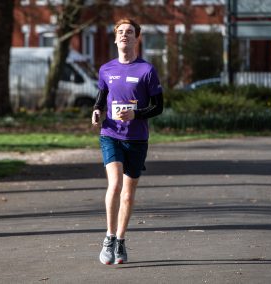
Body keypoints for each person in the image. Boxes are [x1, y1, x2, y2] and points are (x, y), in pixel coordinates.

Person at [91, 18, 164, 265]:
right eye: (121, 32)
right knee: (114, 185)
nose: (125, 35)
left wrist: (136, 114)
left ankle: (121, 240)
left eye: (129, 32)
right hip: (110, 135)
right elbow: (101, 98)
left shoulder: (147, 70)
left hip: (137, 139)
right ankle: (109, 237)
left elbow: (158, 107)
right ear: (115, 38)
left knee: (128, 194)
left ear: (136, 38)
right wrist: (97, 111)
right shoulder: (106, 69)